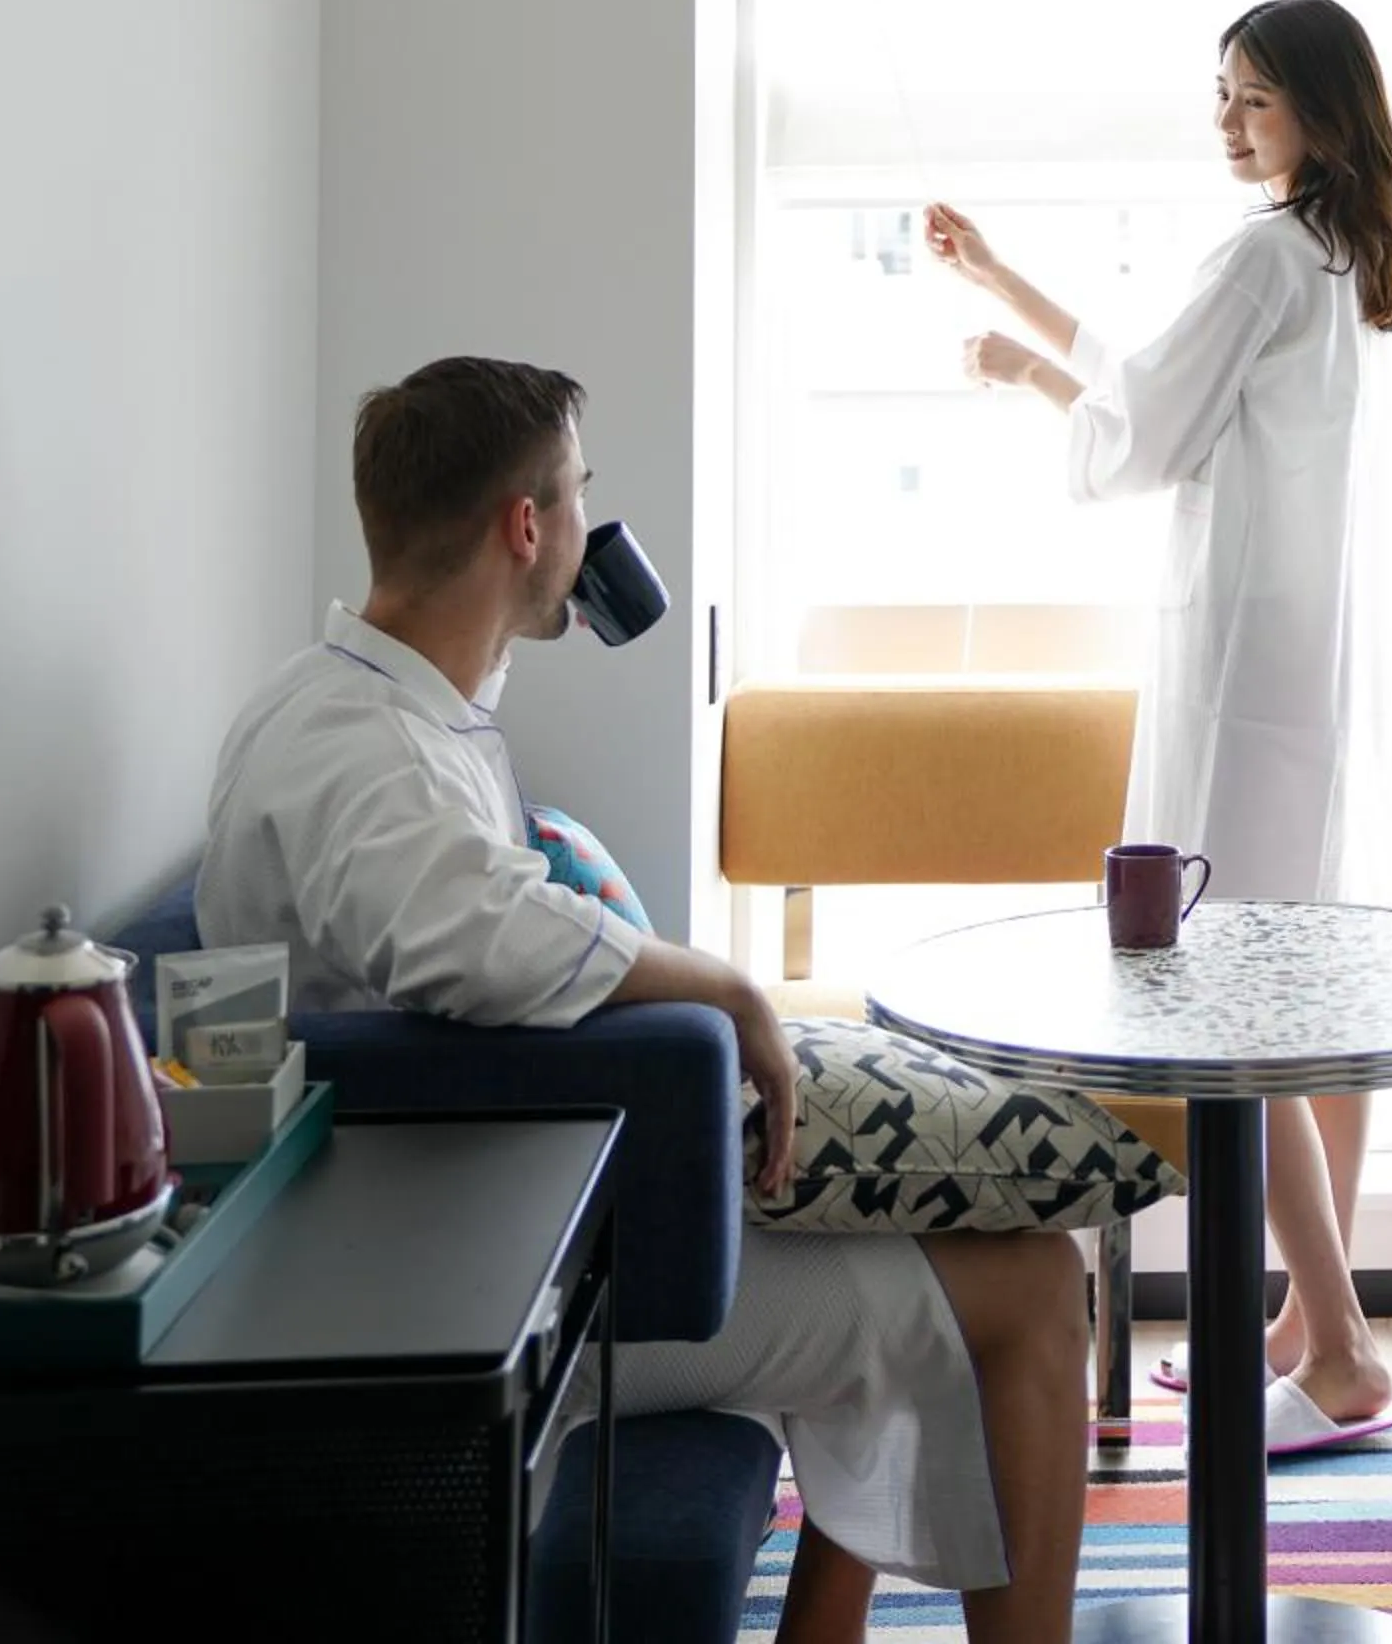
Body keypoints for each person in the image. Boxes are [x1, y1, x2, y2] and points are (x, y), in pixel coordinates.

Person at [195, 357, 1087, 1644]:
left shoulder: (362, 707)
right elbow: (476, 938)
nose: (586, 526)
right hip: (476, 1293)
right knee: (1034, 1283)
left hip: (485, 1228)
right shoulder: (363, 749)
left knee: (896, 1245)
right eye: (579, 496)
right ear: (526, 527)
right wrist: (726, 988)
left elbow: (471, 908)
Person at [923, 0, 1392, 1455]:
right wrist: (1010, 281)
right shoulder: (1333, 261)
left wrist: (1024, 375)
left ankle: (1337, 1344)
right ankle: (1300, 1317)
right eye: (1220, 94)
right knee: (1308, 995)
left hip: (1239, 675)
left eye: (1254, 100)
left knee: (1231, 999)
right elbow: (1167, 377)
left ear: (1324, 114)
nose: (1227, 122)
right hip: (1310, 670)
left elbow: (1143, 428)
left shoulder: (1267, 256)